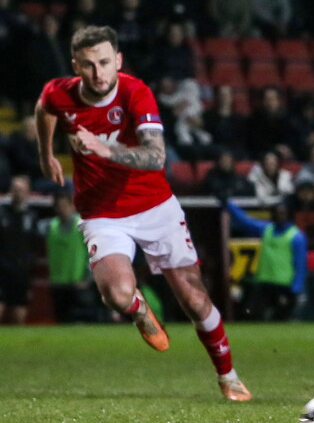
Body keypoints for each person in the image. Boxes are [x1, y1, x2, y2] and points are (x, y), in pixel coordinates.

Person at [35, 26, 251, 401]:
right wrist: (46, 154)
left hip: (155, 206)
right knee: (117, 294)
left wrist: (104, 150)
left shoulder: (136, 93)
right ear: (76, 67)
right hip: (102, 212)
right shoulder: (61, 93)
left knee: (196, 300)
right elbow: (44, 108)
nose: (98, 73)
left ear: (118, 61)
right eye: (88, 65)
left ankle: (228, 376)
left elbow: (156, 156)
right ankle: (139, 310)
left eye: (105, 62)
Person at [224, 200, 306, 320]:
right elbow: (245, 222)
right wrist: (228, 204)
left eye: (283, 213)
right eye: (277, 213)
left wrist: (296, 288)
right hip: (265, 282)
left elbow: (300, 264)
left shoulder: (296, 236)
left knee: (281, 318)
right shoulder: (267, 229)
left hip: (284, 285)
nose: (280, 216)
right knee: (257, 317)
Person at [42, 192, 93, 323]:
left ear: (72, 206)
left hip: (77, 282)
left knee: (79, 319)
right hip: (58, 282)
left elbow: (91, 253)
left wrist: (87, 278)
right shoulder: (50, 226)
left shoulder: (82, 227)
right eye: (59, 207)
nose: (62, 210)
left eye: (64, 206)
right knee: (61, 319)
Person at [0, 176, 41, 324]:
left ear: (28, 193)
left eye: (21, 190)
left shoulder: (31, 217)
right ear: (10, 191)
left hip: (21, 270)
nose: (18, 193)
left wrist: (29, 264)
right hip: (2, 269)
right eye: (15, 190)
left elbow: (34, 244)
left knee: (19, 307)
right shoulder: (2, 213)